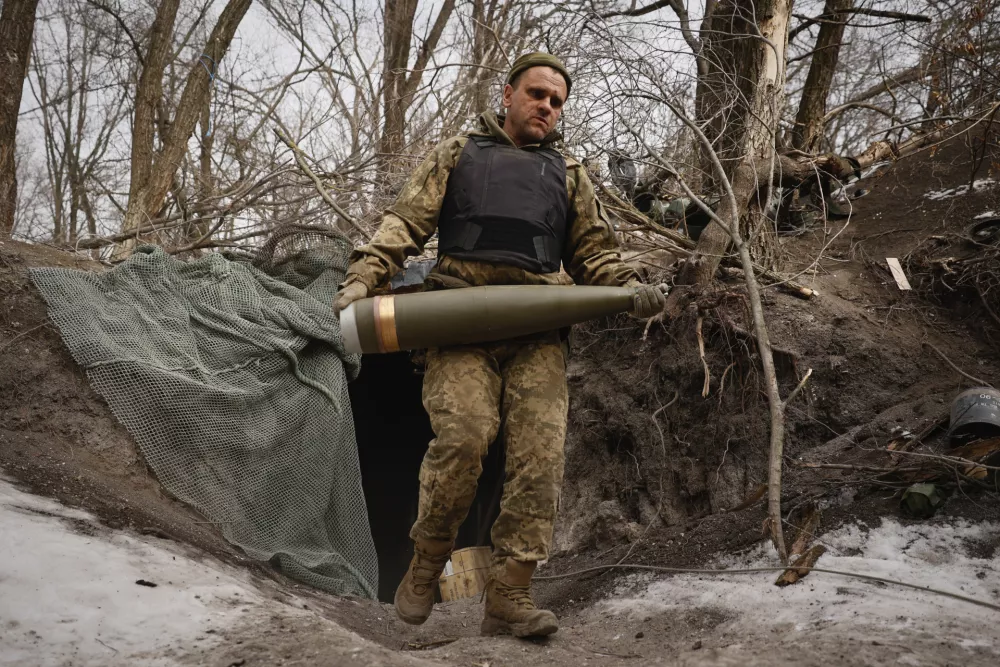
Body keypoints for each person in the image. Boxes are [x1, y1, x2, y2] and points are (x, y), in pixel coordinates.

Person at [334, 52, 665, 638]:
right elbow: (405, 221)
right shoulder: (458, 155)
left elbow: (594, 253)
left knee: (540, 457)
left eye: (557, 102)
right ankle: (427, 563)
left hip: (536, 333)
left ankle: (510, 592)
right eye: (537, 94)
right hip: (458, 324)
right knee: (463, 436)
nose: (547, 107)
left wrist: (627, 290)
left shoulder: (568, 174)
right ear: (507, 94)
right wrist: (366, 273)